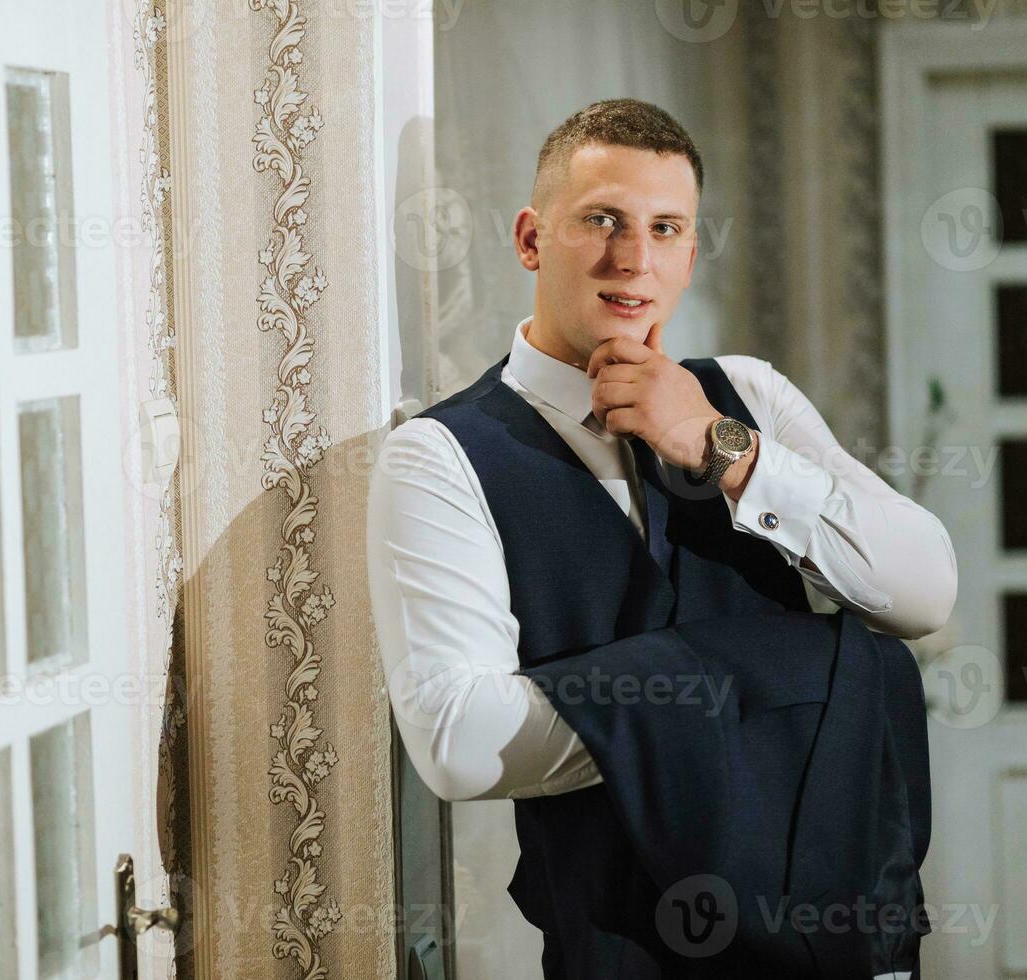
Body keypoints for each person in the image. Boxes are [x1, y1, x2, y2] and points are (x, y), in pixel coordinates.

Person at [366, 98, 957, 978]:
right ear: (532, 238)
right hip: (619, 952)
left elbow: (924, 591)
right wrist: (788, 673)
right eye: (601, 220)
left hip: (840, 945)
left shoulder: (748, 396)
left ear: (688, 251)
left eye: (665, 228)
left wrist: (728, 454)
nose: (632, 259)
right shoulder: (439, 458)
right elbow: (456, 739)